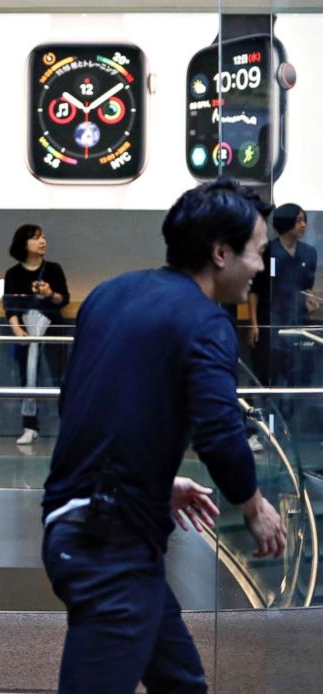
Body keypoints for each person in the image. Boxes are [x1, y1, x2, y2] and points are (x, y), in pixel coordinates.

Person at [41, 178, 287, 693]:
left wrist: (156, 477)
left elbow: (83, 406)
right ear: (221, 253)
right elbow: (220, 430)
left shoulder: (110, 294)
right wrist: (253, 505)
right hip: (109, 544)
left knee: (180, 682)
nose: (262, 268)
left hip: (87, 525)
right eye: (258, 253)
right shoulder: (206, 321)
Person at [247, 203, 316, 423]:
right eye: (298, 220)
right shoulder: (268, 251)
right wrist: (254, 323)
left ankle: (286, 420)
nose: (303, 225)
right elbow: (255, 291)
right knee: (265, 375)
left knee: (297, 373)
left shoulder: (308, 253)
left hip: (296, 322)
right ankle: (254, 425)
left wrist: (309, 299)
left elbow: (305, 288)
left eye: (305, 219)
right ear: (286, 223)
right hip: (271, 322)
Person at [3, 224, 69, 445]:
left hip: (52, 332)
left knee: (60, 377)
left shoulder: (54, 269)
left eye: (43, 237)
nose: (43, 242)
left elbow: (64, 300)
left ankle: (67, 425)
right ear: (24, 244)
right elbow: (10, 308)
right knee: (27, 377)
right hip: (26, 335)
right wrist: (18, 331)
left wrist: (50, 293)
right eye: (36, 238)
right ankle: (30, 425)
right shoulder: (12, 274)